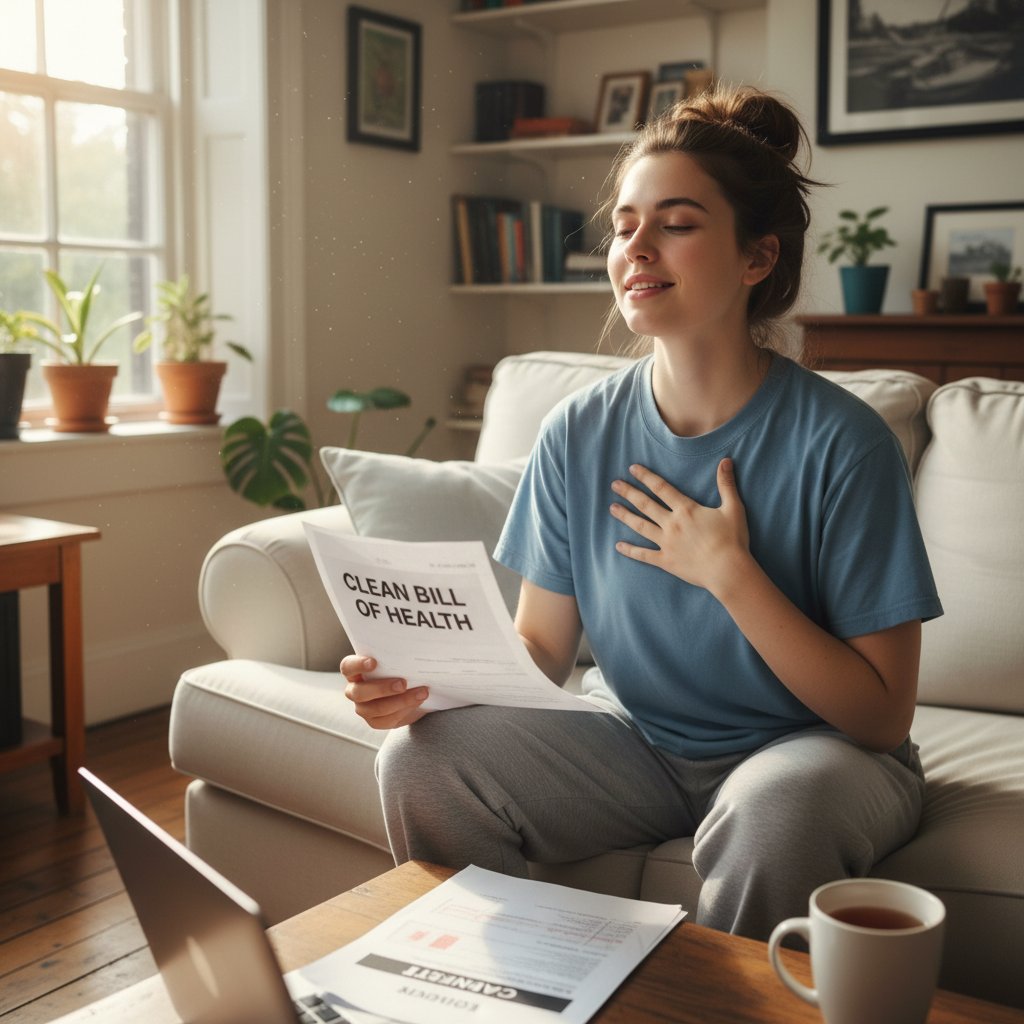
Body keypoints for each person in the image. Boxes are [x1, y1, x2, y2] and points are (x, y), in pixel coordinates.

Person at [341, 85, 943, 941]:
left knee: (773, 813)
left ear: (756, 258)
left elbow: (883, 716)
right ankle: (508, 990)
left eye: (677, 222)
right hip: (636, 746)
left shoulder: (845, 444)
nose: (636, 248)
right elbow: (543, 650)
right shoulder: (577, 432)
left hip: (817, 754)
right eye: (624, 224)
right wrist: (422, 684)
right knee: (423, 760)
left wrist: (732, 575)